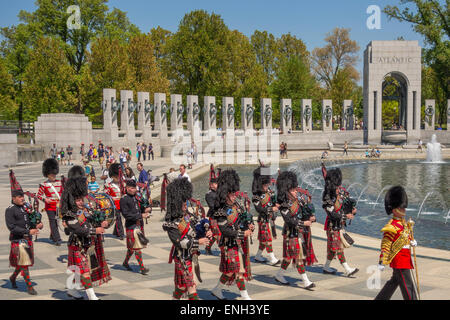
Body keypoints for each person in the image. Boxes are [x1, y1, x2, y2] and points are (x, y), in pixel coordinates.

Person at [60, 175, 111, 300]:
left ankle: (71, 290)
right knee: (84, 271)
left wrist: (103, 223)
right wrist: (95, 230)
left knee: (77, 270)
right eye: (77, 200)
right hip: (77, 245)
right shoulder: (69, 215)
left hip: (88, 244)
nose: (81, 202)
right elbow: (78, 230)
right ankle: (92, 296)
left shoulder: (86, 210)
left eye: (81, 199)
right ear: (72, 201)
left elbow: (94, 221)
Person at [163, 178, 211, 300]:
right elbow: (180, 242)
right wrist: (198, 242)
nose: (186, 205)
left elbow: (200, 223)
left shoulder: (188, 216)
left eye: (186, 203)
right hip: (181, 257)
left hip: (190, 255)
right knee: (191, 287)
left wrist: (207, 230)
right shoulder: (171, 223)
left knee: (182, 287)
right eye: (183, 203)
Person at [211, 169, 254, 300]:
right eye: (232, 194)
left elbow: (242, 221)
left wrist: (250, 225)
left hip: (238, 242)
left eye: (234, 193)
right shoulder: (220, 211)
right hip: (228, 243)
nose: (235, 196)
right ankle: (246, 297)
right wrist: (242, 233)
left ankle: (217, 289)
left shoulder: (238, 206)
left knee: (230, 271)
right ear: (226, 194)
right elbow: (225, 231)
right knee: (238, 270)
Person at [375, 186, 418, 300]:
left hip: (404, 259)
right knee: (407, 285)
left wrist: (411, 241)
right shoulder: (391, 226)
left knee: (394, 282)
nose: (404, 210)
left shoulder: (403, 224)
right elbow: (386, 244)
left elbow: (404, 237)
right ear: (395, 210)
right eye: (401, 208)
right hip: (399, 260)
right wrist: (382, 261)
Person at [273, 171, 315, 288]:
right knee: (298, 257)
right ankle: (306, 281)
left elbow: (304, 213)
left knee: (287, 258)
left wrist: (310, 217)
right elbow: (289, 220)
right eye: (293, 190)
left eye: (295, 189)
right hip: (290, 233)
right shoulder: (284, 206)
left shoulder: (299, 201)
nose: (296, 191)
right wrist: (303, 223)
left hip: (299, 233)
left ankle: (279, 275)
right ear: (286, 192)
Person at [321, 168, 359, 277]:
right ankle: (348, 269)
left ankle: (326, 267)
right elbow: (332, 214)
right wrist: (345, 216)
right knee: (338, 248)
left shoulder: (340, 192)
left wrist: (353, 210)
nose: (338, 188)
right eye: (336, 186)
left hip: (340, 225)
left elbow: (346, 205)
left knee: (334, 249)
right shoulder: (326, 197)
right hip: (332, 226)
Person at [6, 189, 43, 295]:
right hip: (18, 239)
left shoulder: (26, 208)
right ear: (14, 199)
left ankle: (13, 277)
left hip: (27, 239)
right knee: (24, 263)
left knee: (22, 263)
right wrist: (28, 231)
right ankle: (29, 287)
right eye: (19, 197)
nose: (22, 198)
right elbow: (11, 227)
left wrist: (38, 225)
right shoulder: (10, 210)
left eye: (22, 196)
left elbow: (30, 222)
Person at [121, 180, 151, 275]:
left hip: (138, 225)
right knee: (137, 248)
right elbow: (126, 215)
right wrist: (140, 216)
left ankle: (125, 263)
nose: (134, 190)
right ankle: (142, 268)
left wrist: (147, 209)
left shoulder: (136, 197)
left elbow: (140, 208)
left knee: (132, 247)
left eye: (135, 188)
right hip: (131, 226)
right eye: (132, 188)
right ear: (127, 188)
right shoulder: (124, 199)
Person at [252, 166, 280, 266]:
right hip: (263, 220)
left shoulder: (270, 192)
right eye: (266, 184)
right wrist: (271, 209)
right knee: (267, 239)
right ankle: (272, 258)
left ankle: (258, 256)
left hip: (270, 219)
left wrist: (276, 204)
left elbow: (274, 201)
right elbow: (259, 209)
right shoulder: (256, 197)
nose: (268, 185)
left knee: (264, 240)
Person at [36, 159, 62, 246]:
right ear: (47, 175)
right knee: (52, 221)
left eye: (54, 174)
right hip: (49, 206)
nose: (54, 176)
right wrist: (45, 199)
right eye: (52, 174)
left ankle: (52, 235)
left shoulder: (60, 182)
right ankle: (57, 239)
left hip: (58, 206)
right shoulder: (44, 184)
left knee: (57, 222)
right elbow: (38, 195)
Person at [104, 163, 125, 240]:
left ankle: (116, 231)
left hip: (124, 204)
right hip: (115, 205)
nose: (117, 178)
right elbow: (106, 196)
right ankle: (121, 234)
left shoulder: (123, 184)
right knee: (118, 219)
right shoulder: (108, 185)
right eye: (115, 176)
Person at [204, 177, 219, 255]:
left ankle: (208, 247)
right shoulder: (209, 194)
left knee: (215, 234)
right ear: (212, 185)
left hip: (221, 217)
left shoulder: (219, 192)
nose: (217, 185)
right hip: (213, 217)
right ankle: (223, 249)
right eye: (215, 184)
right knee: (217, 234)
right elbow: (212, 206)